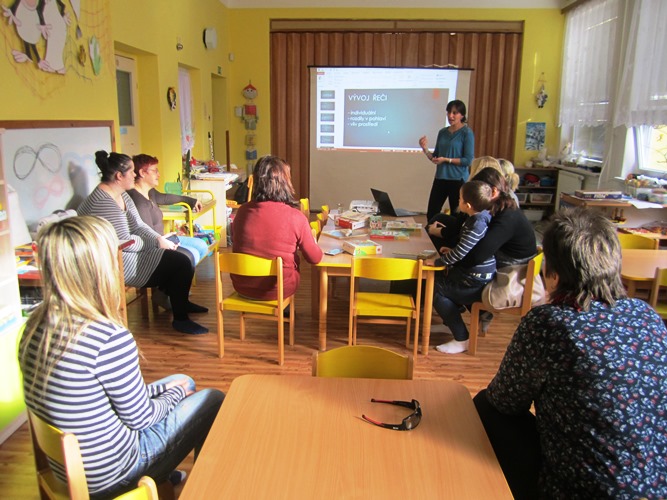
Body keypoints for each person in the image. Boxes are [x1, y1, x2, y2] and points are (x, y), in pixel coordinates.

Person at [18, 215, 225, 498]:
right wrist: (175, 394)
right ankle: (200, 487)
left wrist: (173, 389)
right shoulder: (106, 337)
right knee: (213, 398)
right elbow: (142, 418)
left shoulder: (33, 328)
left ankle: (163, 474)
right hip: (115, 475)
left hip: (68, 470)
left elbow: (102, 400)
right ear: (99, 268)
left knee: (183, 379)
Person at [474, 208, 667, 499]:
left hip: (585, 490)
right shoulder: (647, 315)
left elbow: (504, 401)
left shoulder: (550, 323)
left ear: (552, 273)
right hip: (655, 484)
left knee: (486, 406)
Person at [77, 151, 209, 335]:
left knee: (184, 256)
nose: (135, 175)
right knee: (181, 262)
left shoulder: (121, 195)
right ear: (119, 176)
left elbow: (138, 225)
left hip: (131, 251)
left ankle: (181, 304)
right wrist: (156, 243)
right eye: (132, 171)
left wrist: (159, 239)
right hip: (117, 261)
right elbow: (126, 243)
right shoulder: (103, 202)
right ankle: (181, 319)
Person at [429, 168, 538, 352]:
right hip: (493, 269)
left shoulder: (505, 217)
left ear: (493, 191)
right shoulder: (492, 211)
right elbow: (466, 239)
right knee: (447, 276)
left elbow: (476, 256)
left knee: (437, 287)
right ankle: (452, 319)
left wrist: (446, 260)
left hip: (508, 277)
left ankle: (461, 336)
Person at [231, 155, 323, 300]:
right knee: (292, 269)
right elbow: (315, 258)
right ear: (285, 183)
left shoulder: (242, 212)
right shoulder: (296, 217)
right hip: (278, 289)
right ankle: (284, 310)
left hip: (242, 287)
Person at [432, 180, 496, 354]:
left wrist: (437, 262)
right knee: (439, 279)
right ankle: (450, 322)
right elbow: (466, 248)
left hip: (475, 279)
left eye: (459, 198)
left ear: (467, 205)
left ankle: (461, 338)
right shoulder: (481, 217)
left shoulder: (476, 223)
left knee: (436, 290)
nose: (458, 201)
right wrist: (451, 251)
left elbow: (460, 253)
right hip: (475, 276)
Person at [127, 153, 209, 268]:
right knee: (193, 254)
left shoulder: (150, 192)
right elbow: (147, 233)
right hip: (155, 245)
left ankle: (181, 272)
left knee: (202, 246)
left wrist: (190, 201)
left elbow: (164, 198)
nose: (158, 174)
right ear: (142, 173)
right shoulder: (138, 202)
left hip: (163, 238)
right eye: (155, 171)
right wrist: (167, 242)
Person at [418, 99, 474, 221]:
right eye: (448, 112)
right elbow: (435, 157)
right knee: (432, 213)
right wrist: (425, 149)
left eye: (454, 113)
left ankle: (451, 234)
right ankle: (432, 232)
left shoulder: (466, 133)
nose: (450, 116)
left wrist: (446, 160)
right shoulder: (442, 132)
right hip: (440, 177)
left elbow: (468, 160)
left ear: (462, 115)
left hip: (457, 179)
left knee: (457, 215)